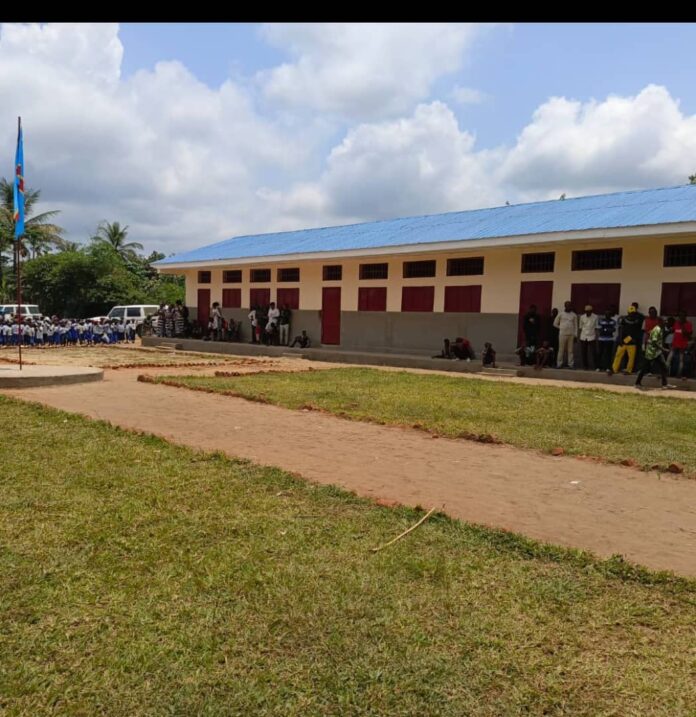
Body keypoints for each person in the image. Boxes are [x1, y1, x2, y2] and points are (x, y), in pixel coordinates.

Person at [635, 316, 676, 390]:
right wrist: (663, 349)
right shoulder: (657, 329)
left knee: (664, 367)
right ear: (660, 322)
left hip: (657, 352)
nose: (666, 322)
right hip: (651, 352)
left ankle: (665, 384)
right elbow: (654, 342)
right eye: (664, 321)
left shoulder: (661, 329)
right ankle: (637, 383)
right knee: (645, 368)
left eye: (666, 321)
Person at [610, 305, 642, 375]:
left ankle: (628, 370)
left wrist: (631, 339)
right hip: (623, 341)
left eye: (633, 313)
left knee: (631, 358)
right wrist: (621, 339)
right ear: (628, 312)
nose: (631, 314)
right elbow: (621, 329)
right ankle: (614, 369)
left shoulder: (637, 321)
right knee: (618, 355)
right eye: (630, 313)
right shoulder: (623, 319)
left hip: (632, 342)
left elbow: (636, 332)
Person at [669, 309, 693, 380]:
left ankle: (679, 374)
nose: (681, 317)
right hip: (674, 344)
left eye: (682, 316)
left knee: (681, 360)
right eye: (679, 316)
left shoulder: (688, 324)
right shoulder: (676, 323)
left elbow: (689, 335)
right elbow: (673, 331)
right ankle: (665, 373)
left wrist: (682, 326)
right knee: (669, 359)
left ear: (685, 316)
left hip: (682, 344)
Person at [554, 301, 578, 368]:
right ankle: (559, 364)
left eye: (570, 305)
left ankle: (571, 364)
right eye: (568, 305)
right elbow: (555, 323)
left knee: (570, 350)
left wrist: (576, 335)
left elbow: (576, 326)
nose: (569, 307)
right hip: (562, 334)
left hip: (571, 334)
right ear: (565, 306)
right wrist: (561, 328)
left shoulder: (574, 315)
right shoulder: (561, 314)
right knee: (561, 350)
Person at [578, 304, 598, 370]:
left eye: (589, 311)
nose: (587, 312)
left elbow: (596, 327)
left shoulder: (595, 317)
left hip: (592, 336)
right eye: (586, 311)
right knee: (584, 352)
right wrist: (579, 336)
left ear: (591, 311)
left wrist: (596, 337)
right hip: (583, 336)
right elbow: (580, 327)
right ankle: (585, 366)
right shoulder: (582, 317)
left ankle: (595, 366)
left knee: (593, 352)